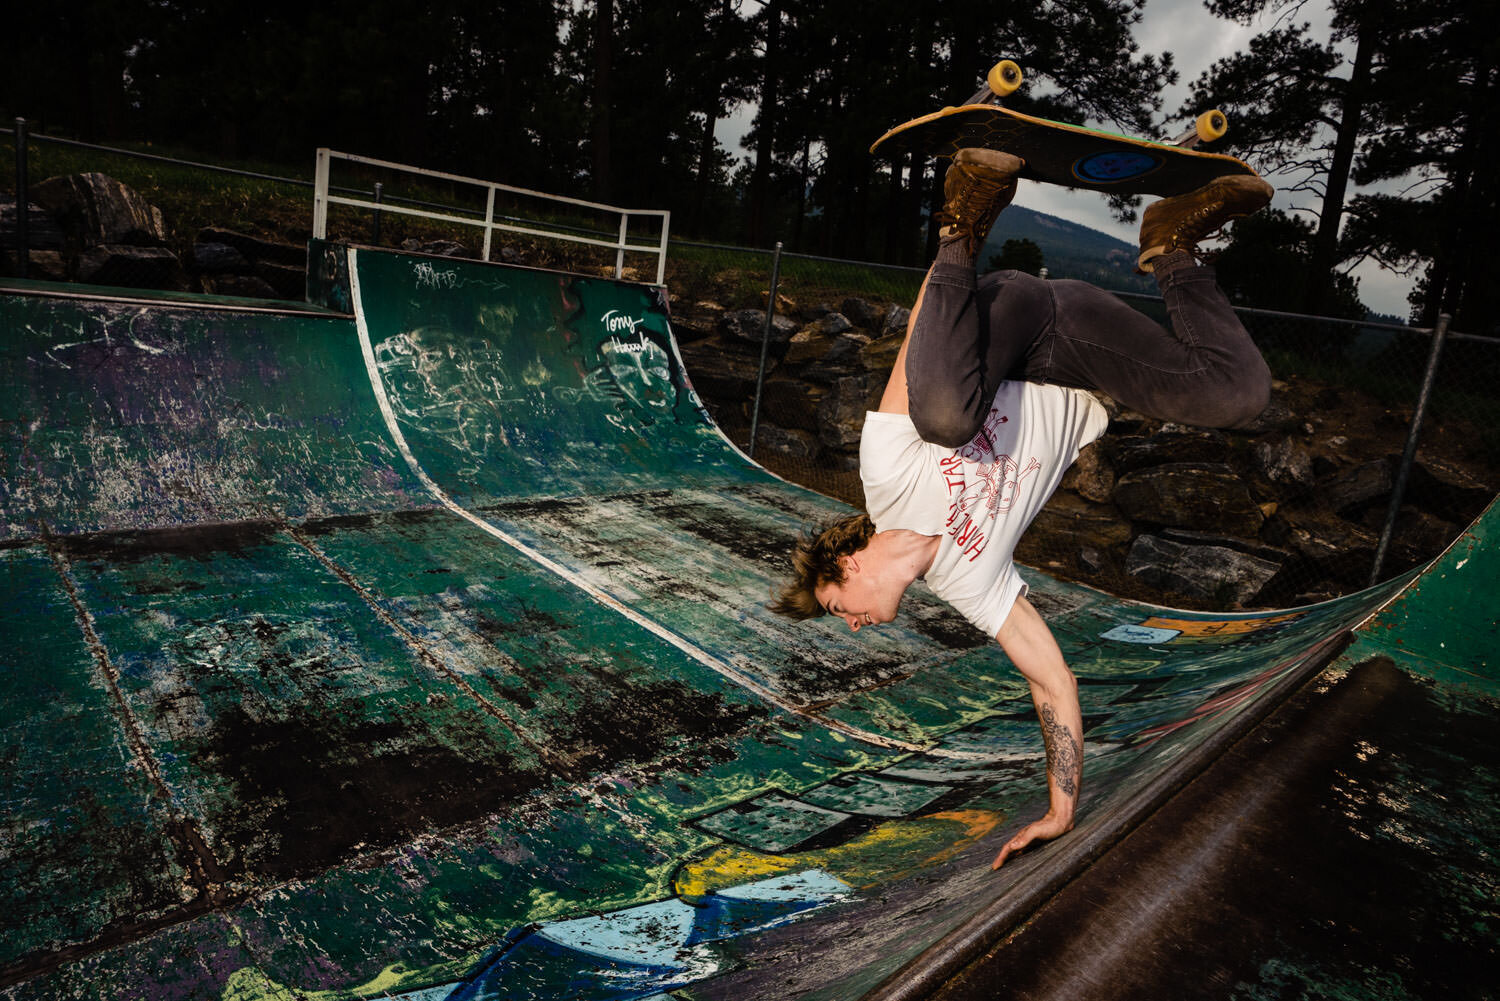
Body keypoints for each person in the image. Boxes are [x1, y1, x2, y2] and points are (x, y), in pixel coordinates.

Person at [770, 148, 1274, 870]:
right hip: (1076, 349)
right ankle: (1172, 245)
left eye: (835, 604)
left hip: (1005, 321)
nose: (849, 622)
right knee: (1234, 394)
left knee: (940, 413)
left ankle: (963, 219)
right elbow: (1051, 678)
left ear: (848, 561)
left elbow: (922, 344)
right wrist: (1061, 808)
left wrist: (954, 255)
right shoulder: (973, 588)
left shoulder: (885, 479)